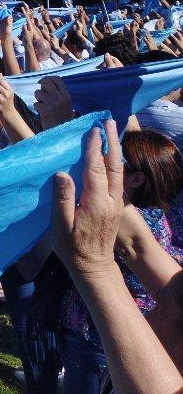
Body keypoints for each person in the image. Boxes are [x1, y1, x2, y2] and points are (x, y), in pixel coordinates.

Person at [51, 121, 183, 394]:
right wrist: (65, 126)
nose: (155, 307)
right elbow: (138, 245)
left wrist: (93, 267)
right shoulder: (176, 293)